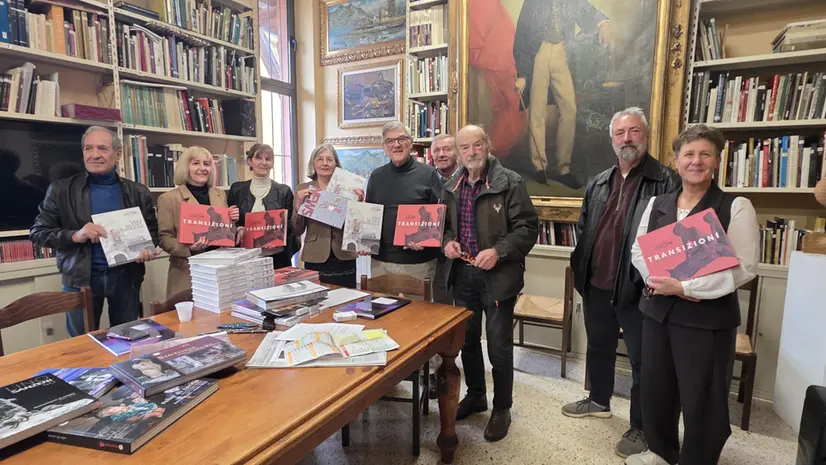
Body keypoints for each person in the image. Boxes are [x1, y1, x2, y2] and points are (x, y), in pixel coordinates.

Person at [625, 125, 760, 465]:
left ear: (716, 160)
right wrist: (663, 281)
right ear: (676, 161)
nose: (696, 161)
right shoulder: (657, 202)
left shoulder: (735, 206)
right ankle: (661, 451)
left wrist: (685, 287)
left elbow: (744, 267)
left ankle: (697, 459)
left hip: (706, 321)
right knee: (657, 390)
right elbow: (639, 252)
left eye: (705, 154)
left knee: (703, 397)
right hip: (657, 314)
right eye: (688, 154)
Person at [564, 107, 680, 458]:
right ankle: (599, 399)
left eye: (633, 132)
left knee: (644, 362)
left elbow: (671, 237)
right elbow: (584, 228)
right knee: (598, 346)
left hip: (637, 289)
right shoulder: (599, 181)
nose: (626, 138)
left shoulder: (666, 180)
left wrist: (650, 279)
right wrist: (580, 267)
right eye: (620, 133)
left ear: (645, 136)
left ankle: (641, 426)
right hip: (597, 284)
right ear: (612, 138)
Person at [442, 124, 538, 442]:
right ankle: (476, 396)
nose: (472, 152)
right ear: (458, 152)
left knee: (498, 347)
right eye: (465, 147)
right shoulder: (451, 185)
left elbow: (527, 228)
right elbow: (442, 228)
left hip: (498, 278)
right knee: (467, 342)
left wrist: (499, 251)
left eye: (477, 145)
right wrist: (448, 243)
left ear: (488, 145)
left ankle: (502, 408)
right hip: (464, 275)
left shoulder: (510, 182)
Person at [29, 126, 159, 337]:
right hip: (80, 281)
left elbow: (152, 233)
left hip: (126, 278)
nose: (94, 155)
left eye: (102, 148)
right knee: (82, 344)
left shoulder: (138, 192)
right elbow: (38, 232)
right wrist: (76, 235)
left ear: (118, 154)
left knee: (127, 339)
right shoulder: (61, 189)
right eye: (88, 148)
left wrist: (147, 249)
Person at [513, 0, 611, 188]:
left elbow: (588, 12)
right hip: (538, 52)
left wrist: (603, 22)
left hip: (562, 52)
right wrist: (523, 75)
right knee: (537, 111)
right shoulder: (532, 3)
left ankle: (563, 168)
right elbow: (522, 37)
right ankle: (539, 166)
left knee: (569, 109)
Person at [366, 121, 443, 282]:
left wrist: (426, 239)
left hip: (418, 262)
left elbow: (440, 216)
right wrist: (363, 242)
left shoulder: (429, 174)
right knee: (381, 306)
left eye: (402, 139)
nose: (396, 145)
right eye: (390, 141)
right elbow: (370, 215)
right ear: (384, 146)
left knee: (419, 308)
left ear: (411, 142)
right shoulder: (376, 176)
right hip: (380, 262)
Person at [158, 146, 239, 299]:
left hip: (219, 268)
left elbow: (226, 233)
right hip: (187, 272)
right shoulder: (169, 199)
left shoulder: (219, 194)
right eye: (196, 163)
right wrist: (189, 248)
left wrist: (232, 220)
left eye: (207, 164)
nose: (202, 168)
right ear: (185, 167)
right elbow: (164, 238)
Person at [292, 144, 361, 287]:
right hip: (315, 255)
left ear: (336, 163)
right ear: (313, 163)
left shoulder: (349, 189)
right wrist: (298, 206)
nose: (325, 163)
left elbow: (356, 225)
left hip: (344, 253)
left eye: (329, 159)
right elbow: (297, 230)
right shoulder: (302, 189)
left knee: (346, 300)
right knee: (317, 301)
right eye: (320, 159)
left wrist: (359, 205)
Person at [228, 143, 299, 269]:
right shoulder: (237, 189)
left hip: (277, 257)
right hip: (245, 257)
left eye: (268, 159)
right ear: (250, 162)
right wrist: (238, 229)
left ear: (272, 163)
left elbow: (291, 226)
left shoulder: (284, 191)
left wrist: (277, 238)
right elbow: (229, 221)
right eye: (259, 158)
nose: (264, 162)